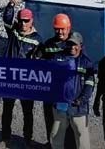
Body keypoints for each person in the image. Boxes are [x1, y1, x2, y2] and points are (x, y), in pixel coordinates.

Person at [1, 0, 43, 146]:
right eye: (21, 20)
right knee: (7, 110)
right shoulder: (13, 32)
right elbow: (6, 19)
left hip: (26, 81)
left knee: (27, 112)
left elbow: (41, 61)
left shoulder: (38, 39)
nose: (23, 23)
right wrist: (11, 4)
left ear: (32, 21)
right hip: (10, 78)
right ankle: (5, 138)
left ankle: (27, 140)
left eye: (26, 20)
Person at [32, 12, 74, 148]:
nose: (60, 32)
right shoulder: (49, 44)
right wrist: (37, 55)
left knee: (66, 121)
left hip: (66, 91)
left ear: (68, 28)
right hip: (50, 91)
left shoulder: (73, 44)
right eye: (57, 29)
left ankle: (69, 146)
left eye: (62, 29)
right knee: (50, 119)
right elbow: (40, 59)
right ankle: (51, 143)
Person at [48, 32, 95, 149]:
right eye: (69, 44)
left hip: (78, 107)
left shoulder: (86, 62)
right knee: (55, 135)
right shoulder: (57, 57)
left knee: (82, 136)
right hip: (60, 106)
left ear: (80, 46)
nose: (72, 47)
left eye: (75, 44)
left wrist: (81, 100)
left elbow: (90, 84)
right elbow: (47, 76)